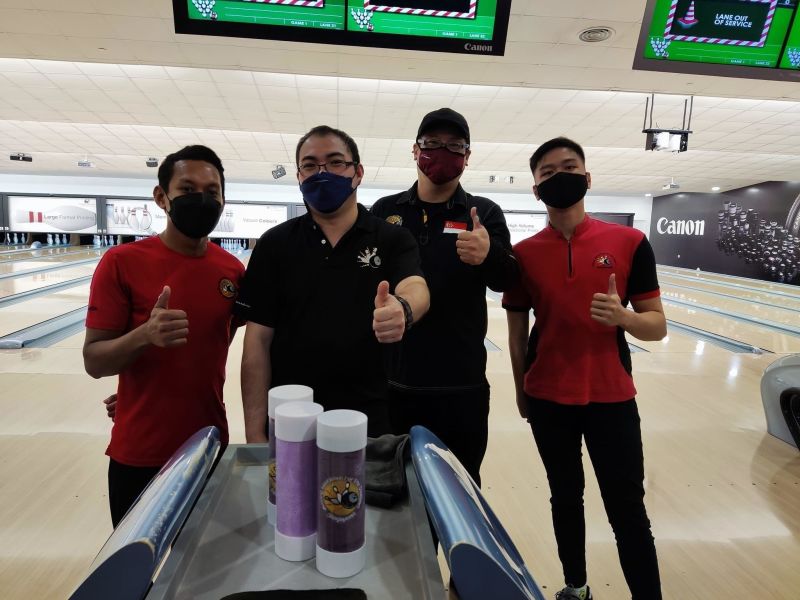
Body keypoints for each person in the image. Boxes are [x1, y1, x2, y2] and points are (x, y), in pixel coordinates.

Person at [503, 137, 666, 600]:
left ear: (588, 178)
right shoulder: (524, 254)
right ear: (536, 189)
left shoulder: (630, 242)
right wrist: (520, 389)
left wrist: (626, 319)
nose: (560, 176)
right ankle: (575, 587)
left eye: (569, 167)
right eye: (548, 173)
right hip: (548, 397)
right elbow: (516, 333)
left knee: (627, 511)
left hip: (612, 398)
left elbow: (657, 327)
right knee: (565, 499)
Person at [83, 145, 245, 527]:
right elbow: (94, 361)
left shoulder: (233, 270)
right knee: (134, 582)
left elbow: (215, 345)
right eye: (187, 189)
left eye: (211, 191)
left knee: (201, 577)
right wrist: (143, 336)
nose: (201, 199)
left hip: (208, 445)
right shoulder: (121, 262)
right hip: (139, 453)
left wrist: (149, 386)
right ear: (162, 196)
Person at [236, 125, 430, 440]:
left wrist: (403, 308)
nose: (322, 172)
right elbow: (257, 342)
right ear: (299, 176)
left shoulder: (391, 237)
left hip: (370, 419)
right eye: (310, 165)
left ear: (358, 172)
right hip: (290, 420)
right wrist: (254, 434)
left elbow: (415, 286)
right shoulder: (275, 244)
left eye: (336, 162)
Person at [371, 108, 518, 486]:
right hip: (393, 383)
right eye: (433, 144)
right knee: (390, 495)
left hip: (461, 387)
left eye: (454, 146)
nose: (443, 152)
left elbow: (508, 279)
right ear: (415, 150)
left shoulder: (483, 213)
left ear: (467, 157)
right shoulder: (386, 211)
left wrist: (490, 256)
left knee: (459, 495)